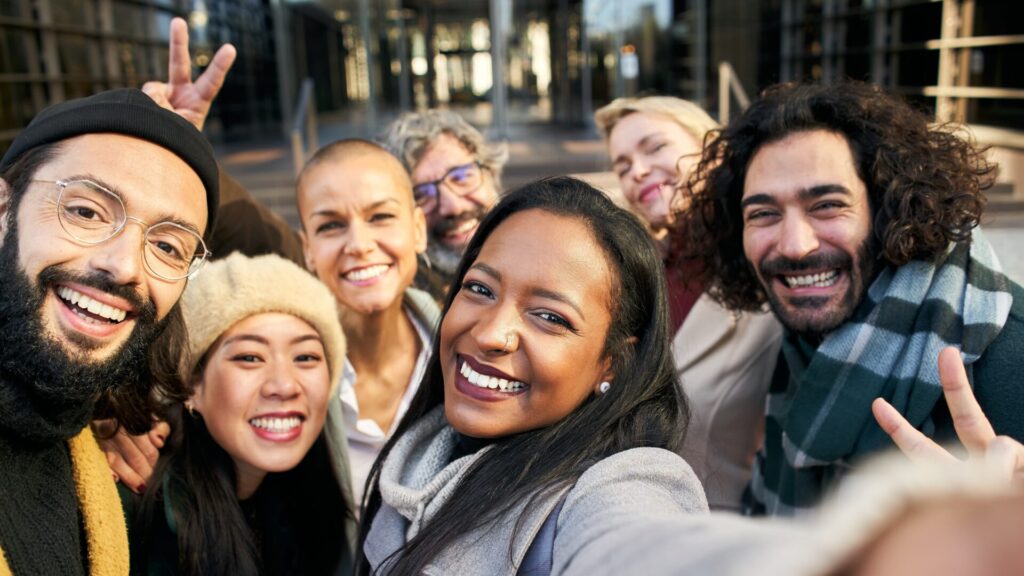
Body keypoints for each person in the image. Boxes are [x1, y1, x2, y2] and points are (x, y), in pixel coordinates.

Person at [678, 80, 1024, 516]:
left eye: (826, 205)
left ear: (888, 210)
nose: (794, 245)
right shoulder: (803, 336)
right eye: (763, 214)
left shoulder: (1009, 356)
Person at [357, 177, 709, 575]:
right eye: (480, 288)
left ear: (612, 362)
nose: (491, 334)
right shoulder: (417, 462)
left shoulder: (621, 487)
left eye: (549, 317)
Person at [0, 88, 218, 573]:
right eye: (85, 212)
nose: (123, 266)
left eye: (167, 246)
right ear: (3, 210)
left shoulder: (89, 439)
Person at [594, 96, 782, 510]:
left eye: (655, 147)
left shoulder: (770, 264)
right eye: (622, 166)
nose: (638, 171)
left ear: (709, 146)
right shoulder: (629, 275)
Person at [127, 252, 355, 575]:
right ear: (192, 386)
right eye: (250, 357)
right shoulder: (137, 512)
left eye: (305, 357)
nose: (284, 385)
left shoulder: (313, 511)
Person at [296, 139, 439, 505]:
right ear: (308, 250)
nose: (359, 244)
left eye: (380, 217)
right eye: (330, 226)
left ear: (418, 229)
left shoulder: (466, 355)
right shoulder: (283, 377)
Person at [383, 109, 508, 298]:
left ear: (491, 174)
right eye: (421, 194)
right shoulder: (405, 309)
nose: (453, 207)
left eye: (462, 177)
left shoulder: (540, 256)